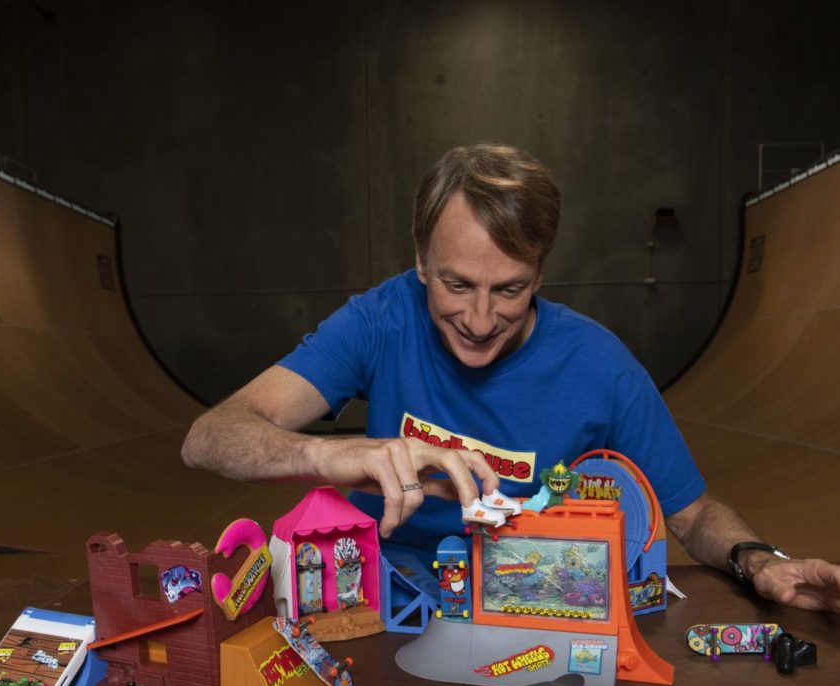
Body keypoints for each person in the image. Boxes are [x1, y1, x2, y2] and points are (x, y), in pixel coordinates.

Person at [182, 143, 840, 614]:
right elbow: (209, 438)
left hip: (523, 601)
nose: (478, 320)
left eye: (510, 289)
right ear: (420, 260)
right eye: (456, 284)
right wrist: (330, 455)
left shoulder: (600, 366)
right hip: (377, 599)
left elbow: (691, 515)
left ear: (541, 274)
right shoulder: (380, 320)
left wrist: (761, 562)